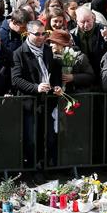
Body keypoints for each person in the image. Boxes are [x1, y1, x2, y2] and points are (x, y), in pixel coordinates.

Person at [11, 20, 63, 172]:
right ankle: (34, 167)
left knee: (48, 136)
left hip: (46, 101)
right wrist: (36, 87)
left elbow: (54, 72)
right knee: (31, 138)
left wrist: (57, 86)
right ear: (28, 34)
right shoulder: (19, 53)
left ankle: (45, 165)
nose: (41, 37)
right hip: (30, 103)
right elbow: (16, 79)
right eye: (37, 34)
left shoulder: (47, 50)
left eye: (43, 34)